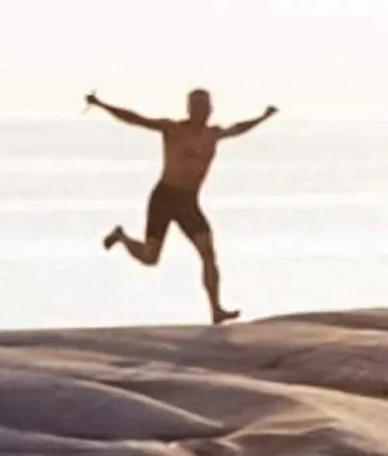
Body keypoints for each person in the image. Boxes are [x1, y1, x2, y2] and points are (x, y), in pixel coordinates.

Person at [87, 88, 277, 325]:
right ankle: (122, 237)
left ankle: (216, 309)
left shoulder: (213, 134)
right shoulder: (173, 129)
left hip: (189, 201)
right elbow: (135, 119)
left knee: (208, 253)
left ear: (211, 109)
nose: (201, 111)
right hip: (164, 197)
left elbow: (239, 128)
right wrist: (102, 105)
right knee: (150, 258)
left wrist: (263, 117)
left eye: (205, 107)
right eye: (196, 107)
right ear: (189, 109)